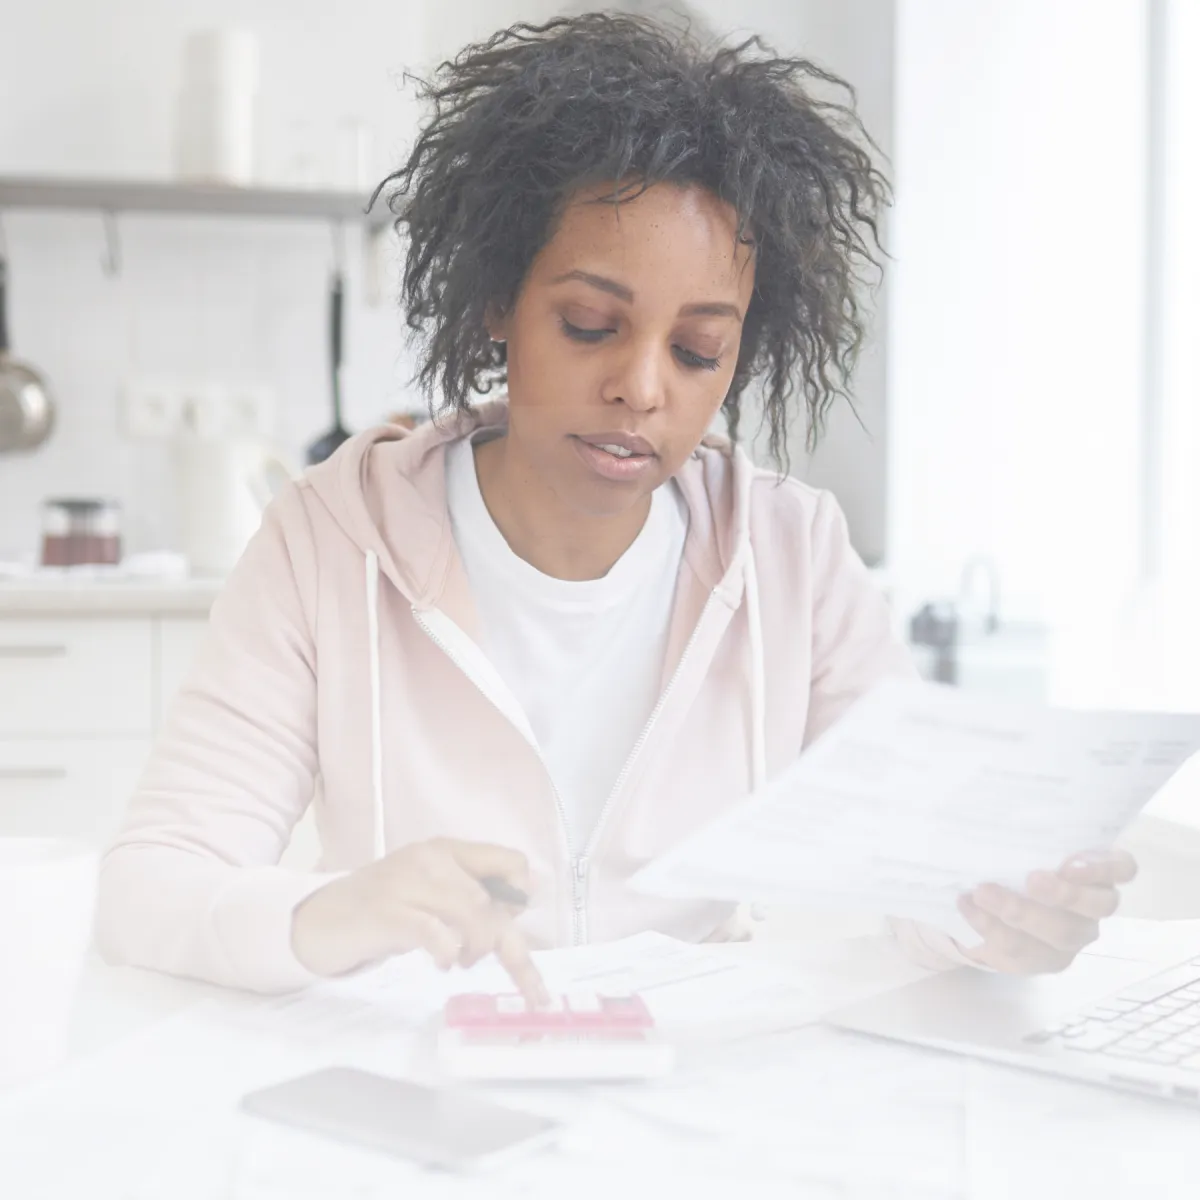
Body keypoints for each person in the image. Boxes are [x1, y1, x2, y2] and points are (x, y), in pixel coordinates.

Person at [95, 13, 1135, 1001]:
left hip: (683, 1091)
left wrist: (1001, 918)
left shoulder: (791, 554)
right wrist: (337, 913)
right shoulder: (330, 540)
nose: (645, 388)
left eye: (697, 351)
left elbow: (921, 874)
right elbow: (149, 888)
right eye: (592, 323)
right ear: (499, 301)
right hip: (416, 1086)